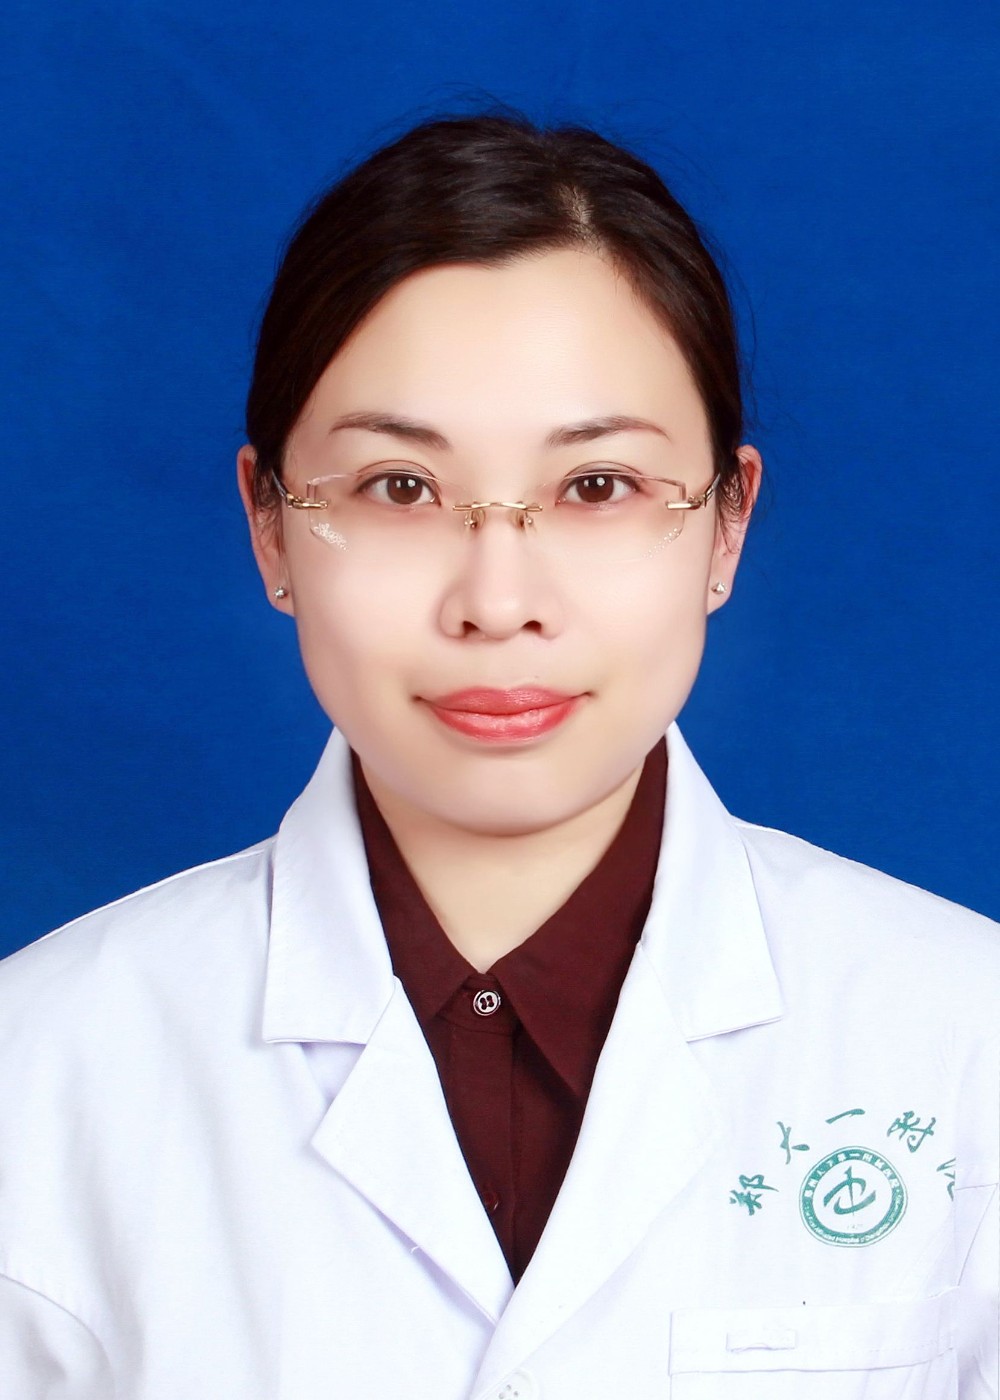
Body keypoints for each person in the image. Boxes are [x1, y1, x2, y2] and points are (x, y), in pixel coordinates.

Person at [0, 111, 996, 1400]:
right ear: (270, 529)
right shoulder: (40, 1072)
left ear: (727, 528)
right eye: (398, 489)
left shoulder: (964, 1038)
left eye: (598, 487)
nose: (498, 600)